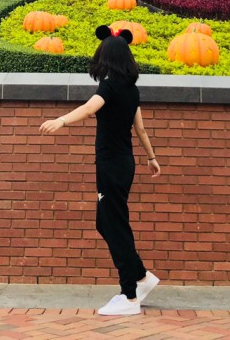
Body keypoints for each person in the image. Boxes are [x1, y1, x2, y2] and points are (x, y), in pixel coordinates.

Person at [40, 24, 161, 316]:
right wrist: (151, 157)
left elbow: (89, 108)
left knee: (114, 225)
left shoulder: (108, 87)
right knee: (106, 223)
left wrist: (61, 121)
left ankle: (129, 295)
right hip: (125, 164)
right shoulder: (131, 90)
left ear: (104, 57)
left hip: (111, 166)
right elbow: (140, 129)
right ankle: (141, 276)